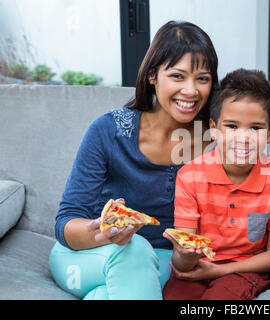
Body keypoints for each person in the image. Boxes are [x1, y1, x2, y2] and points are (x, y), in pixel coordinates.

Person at [49, 20, 218, 300]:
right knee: (135, 250)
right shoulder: (109, 130)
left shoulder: (216, 141)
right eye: (178, 76)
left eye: (202, 78)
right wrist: (100, 232)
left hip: (162, 263)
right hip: (86, 255)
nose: (191, 91)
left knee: (110, 293)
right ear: (152, 76)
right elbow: (66, 221)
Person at [162, 69, 270, 300]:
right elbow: (181, 261)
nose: (243, 138)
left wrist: (221, 269)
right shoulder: (190, 176)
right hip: (198, 267)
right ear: (213, 129)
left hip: (246, 269)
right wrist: (186, 254)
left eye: (255, 128)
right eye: (232, 126)